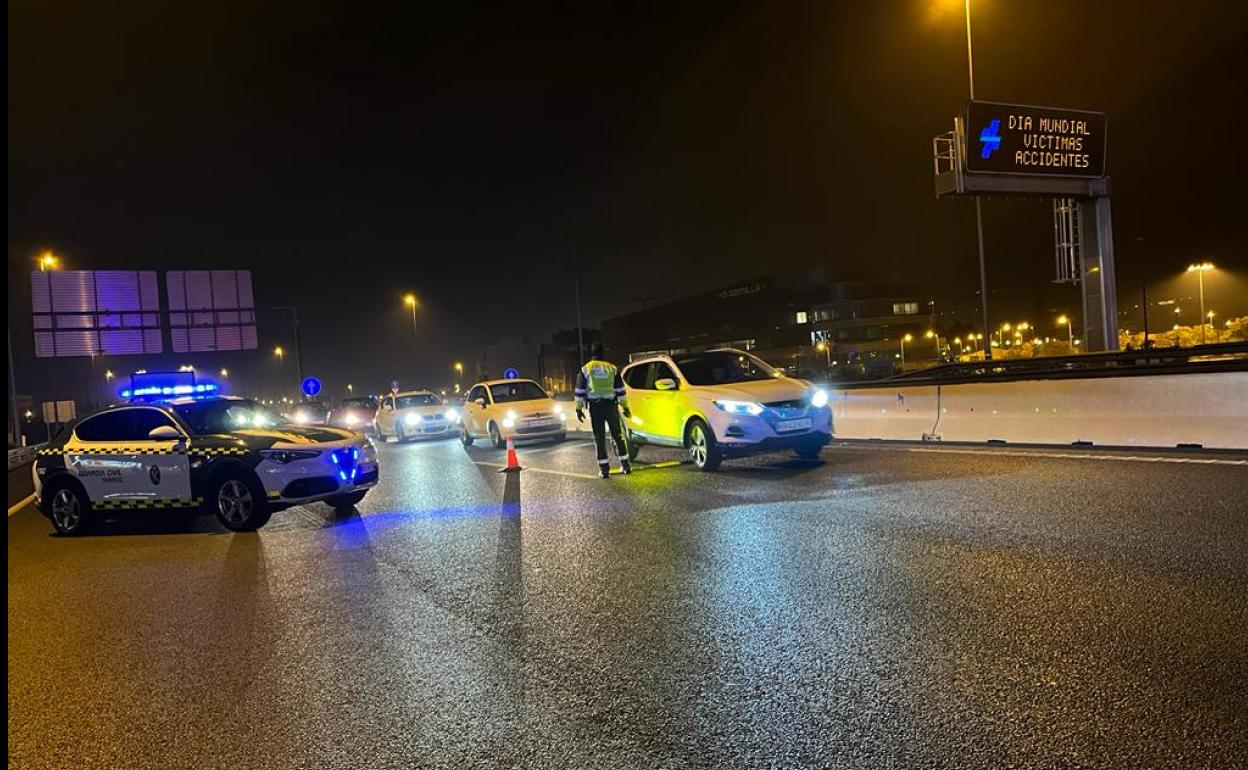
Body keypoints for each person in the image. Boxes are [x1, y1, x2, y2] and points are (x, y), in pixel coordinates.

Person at [574, 343, 632, 478]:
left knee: (599, 438)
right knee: (618, 436)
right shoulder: (612, 368)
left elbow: (579, 391)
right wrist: (625, 407)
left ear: (591, 354)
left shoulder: (586, 369)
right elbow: (621, 391)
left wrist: (579, 409)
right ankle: (626, 465)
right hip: (611, 406)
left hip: (596, 407)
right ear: (603, 353)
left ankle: (604, 470)